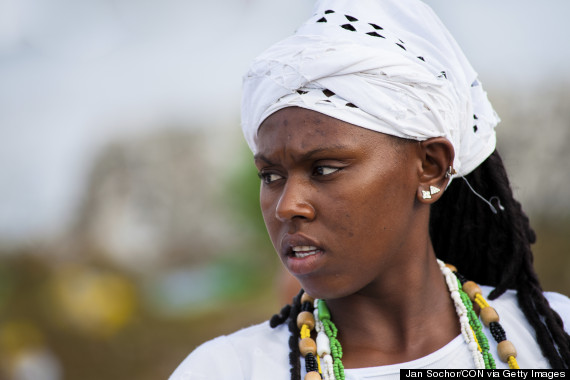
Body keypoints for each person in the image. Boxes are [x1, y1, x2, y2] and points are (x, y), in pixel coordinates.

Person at [170, 0, 570, 378]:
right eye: (271, 176)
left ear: (430, 168)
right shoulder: (226, 370)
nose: (287, 206)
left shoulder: (553, 336)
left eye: (324, 168)